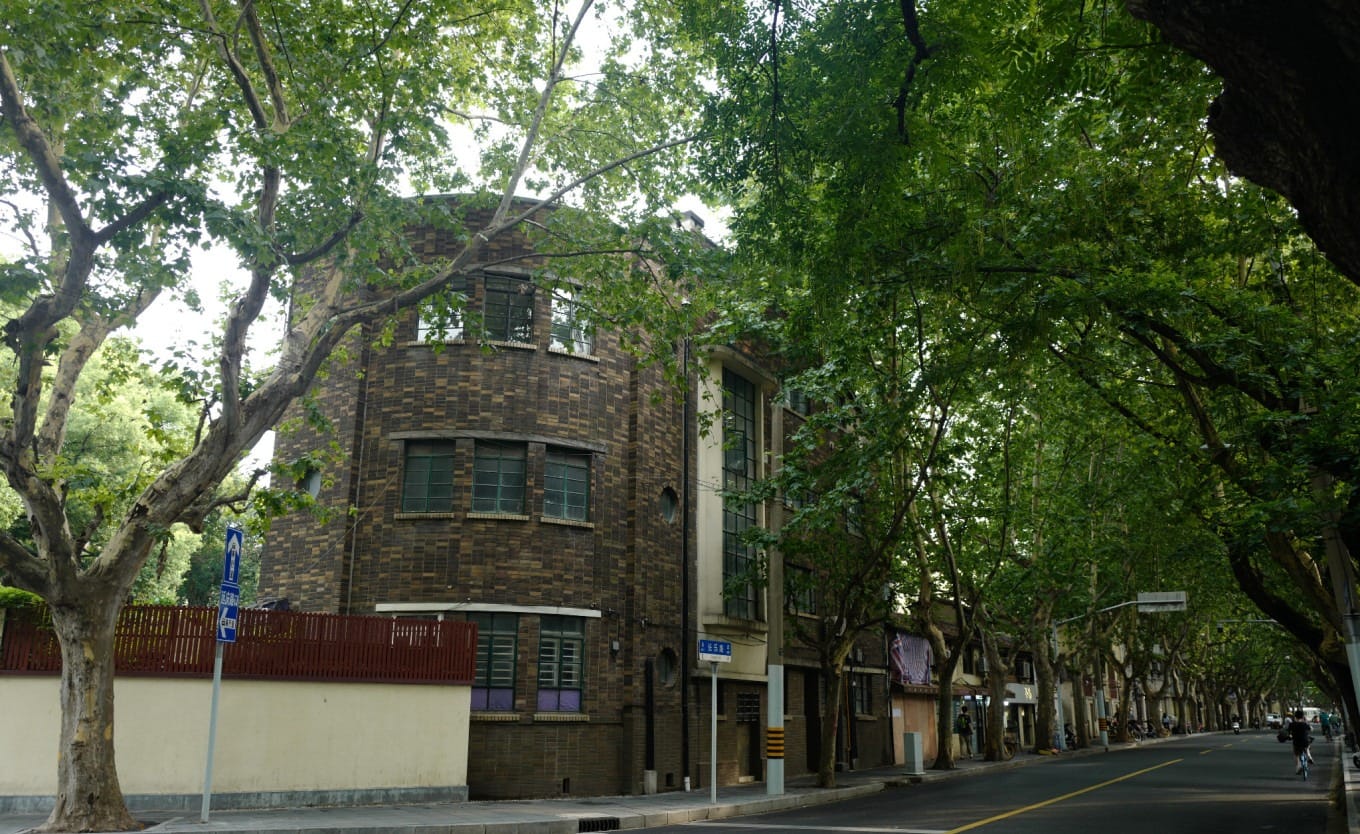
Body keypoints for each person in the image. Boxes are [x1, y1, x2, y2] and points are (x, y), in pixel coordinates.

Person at [1287, 708, 1314, 773]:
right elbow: (1311, 729)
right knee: (1307, 747)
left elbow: (1288, 732)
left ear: (1295, 717)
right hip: (1305, 741)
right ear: (1302, 717)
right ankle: (1309, 757)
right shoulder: (1304, 724)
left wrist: (1290, 735)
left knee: (1297, 755)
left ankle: (1298, 767)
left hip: (1296, 742)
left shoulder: (1292, 724)